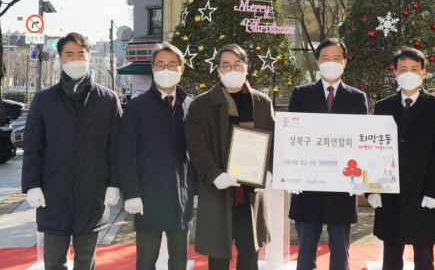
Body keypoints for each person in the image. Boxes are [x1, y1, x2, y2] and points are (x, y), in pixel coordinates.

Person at [21, 32, 122, 269]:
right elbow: (33, 147)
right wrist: (31, 185)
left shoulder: (107, 100)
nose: (76, 59)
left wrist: (115, 183)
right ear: (61, 59)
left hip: (92, 192)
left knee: (86, 261)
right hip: (54, 193)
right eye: (69, 54)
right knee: (54, 261)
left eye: (81, 54)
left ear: (88, 57)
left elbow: (116, 146)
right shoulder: (43, 100)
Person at [185, 43, 273, 270]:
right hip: (218, 190)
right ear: (218, 70)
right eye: (226, 65)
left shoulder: (262, 102)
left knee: (249, 253)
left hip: (251, 192)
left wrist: (269, 170)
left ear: (246, 67)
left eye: (237, 64)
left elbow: (272, 140)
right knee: (218, 256)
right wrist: (215, 175)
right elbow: (196, 145)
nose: (232, 70)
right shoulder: (201, 104)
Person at [368, 47, 435, 270]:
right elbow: (374, 150)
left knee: (423, 254)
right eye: (403, 69)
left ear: (423, 72)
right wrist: (372, 188)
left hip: (424, 191)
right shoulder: (383, 106)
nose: (408, 73)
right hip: (391, 191)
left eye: (414, 69)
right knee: (391, 251)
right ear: (395, 73)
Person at [287, 38, 368, 270]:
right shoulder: (301, 93)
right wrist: (291, 172)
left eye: (336, 58)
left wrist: (361, 178)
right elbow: (292, 136)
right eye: (325, 58)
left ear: (344, 63)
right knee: (304, 254)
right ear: (317, 62)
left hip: (342, 184)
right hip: (307, 185)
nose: (330, 62)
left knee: (339, 254)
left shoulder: (356, 97)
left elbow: (362, 139)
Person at [118, 43, 197, 269]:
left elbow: (196, 153)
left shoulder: (190, 106)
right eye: (160, 64)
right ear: (152, 68)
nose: (166, 69)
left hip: (181, 198)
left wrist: (196, 189)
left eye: (172, 65)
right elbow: (126, 153)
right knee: (146, 261)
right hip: (147, 197)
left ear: (181, 69)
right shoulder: (136, 107)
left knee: (179, 261)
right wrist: (131, 193)